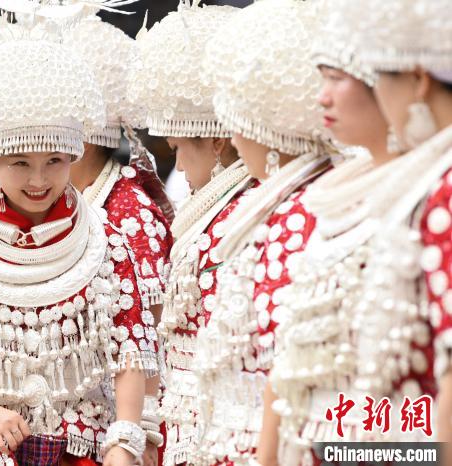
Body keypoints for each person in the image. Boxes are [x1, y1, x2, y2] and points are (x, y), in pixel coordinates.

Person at [0, 9, 158, 466]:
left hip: (82, 450)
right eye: (21, 163)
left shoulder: (106, 242)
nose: (39, 179)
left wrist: (125, 434)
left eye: (55, 161)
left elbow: (131, 345)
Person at [266, 0, 452, 464]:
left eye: (336, 78)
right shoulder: (342, 195)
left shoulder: (435, 190)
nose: (322, 98)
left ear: (416, 79)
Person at [190, 1, 333, 464]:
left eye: (239, 126)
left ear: (269, 133)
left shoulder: (297, 214)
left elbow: (284, 366)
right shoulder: (286, 205)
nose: (232, 140)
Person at [127, 4, 258, 465]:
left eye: (180, 148)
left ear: (217, 142)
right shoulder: (218, 209)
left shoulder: (240, 216)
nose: (178, 166)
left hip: (221, 432)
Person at [63, 17, 174, 465]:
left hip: (114, 427)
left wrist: (138, 433)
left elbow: (151, 334)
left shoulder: (130, 209)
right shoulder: (57, 198)